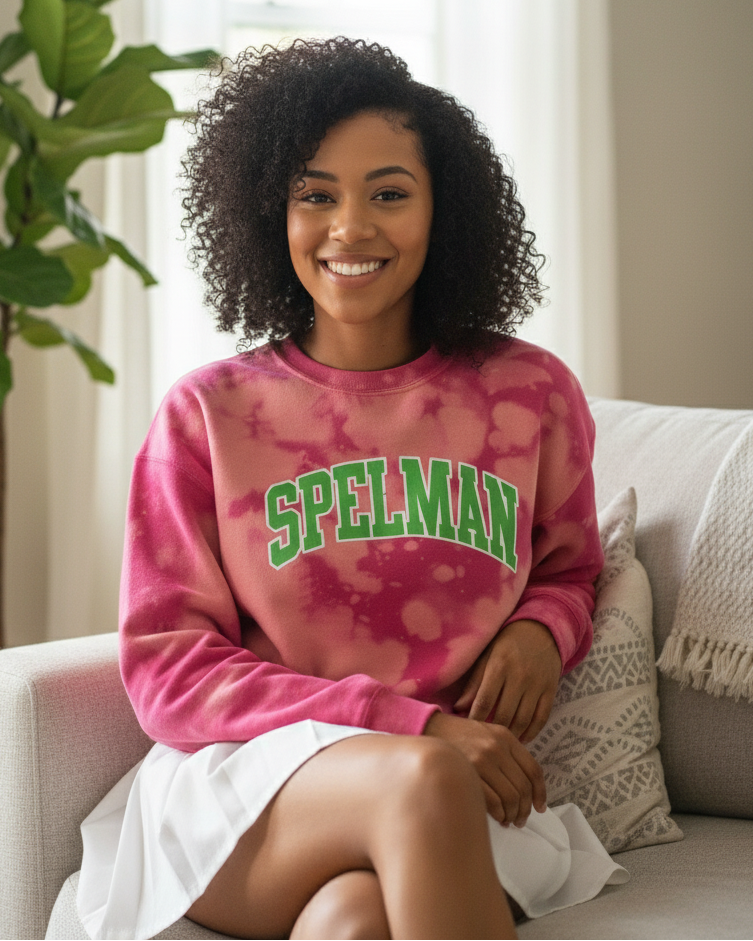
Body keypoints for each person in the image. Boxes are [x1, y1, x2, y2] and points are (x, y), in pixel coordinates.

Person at [76, 38, 627, 941]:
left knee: (351, 924)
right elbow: (169, 671)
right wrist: (411, 726)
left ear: (440, 210)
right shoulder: (207, 415)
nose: (351, 228)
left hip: (447, 803)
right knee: (421, 777)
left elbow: (570, 571)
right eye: (315, 195)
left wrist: (539, 629)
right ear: (269, 213)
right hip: (250, 792)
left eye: (388, 193)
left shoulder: (527, 395)